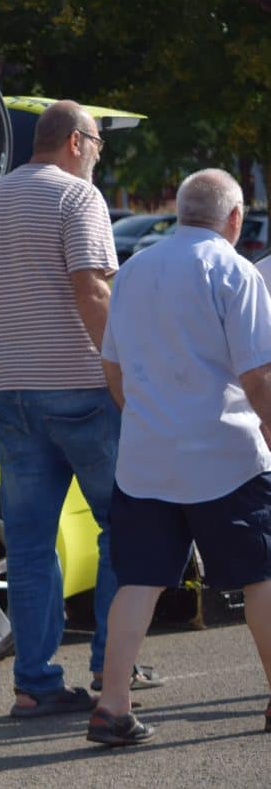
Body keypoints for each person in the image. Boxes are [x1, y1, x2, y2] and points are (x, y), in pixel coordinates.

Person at [0, 100, 157, 718]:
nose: (98, 154)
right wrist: (125, 379)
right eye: (97, 143)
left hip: (10, 397)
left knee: (29, 544)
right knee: (125, 527)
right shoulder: (78, 198)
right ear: (74, 142)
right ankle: (110, 665)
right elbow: (93, 289)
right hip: (81, 392)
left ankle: (35, 684)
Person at [90, 169, 271, 746]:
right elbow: (258, 376)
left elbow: (112, 367)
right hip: (226, 456)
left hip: (146, 458)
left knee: (138, 581)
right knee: (261, 577)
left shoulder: (134, 269)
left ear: (177, 210)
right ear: (234, 218)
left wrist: (145, 416)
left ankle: (111, 706)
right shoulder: (235, 272)